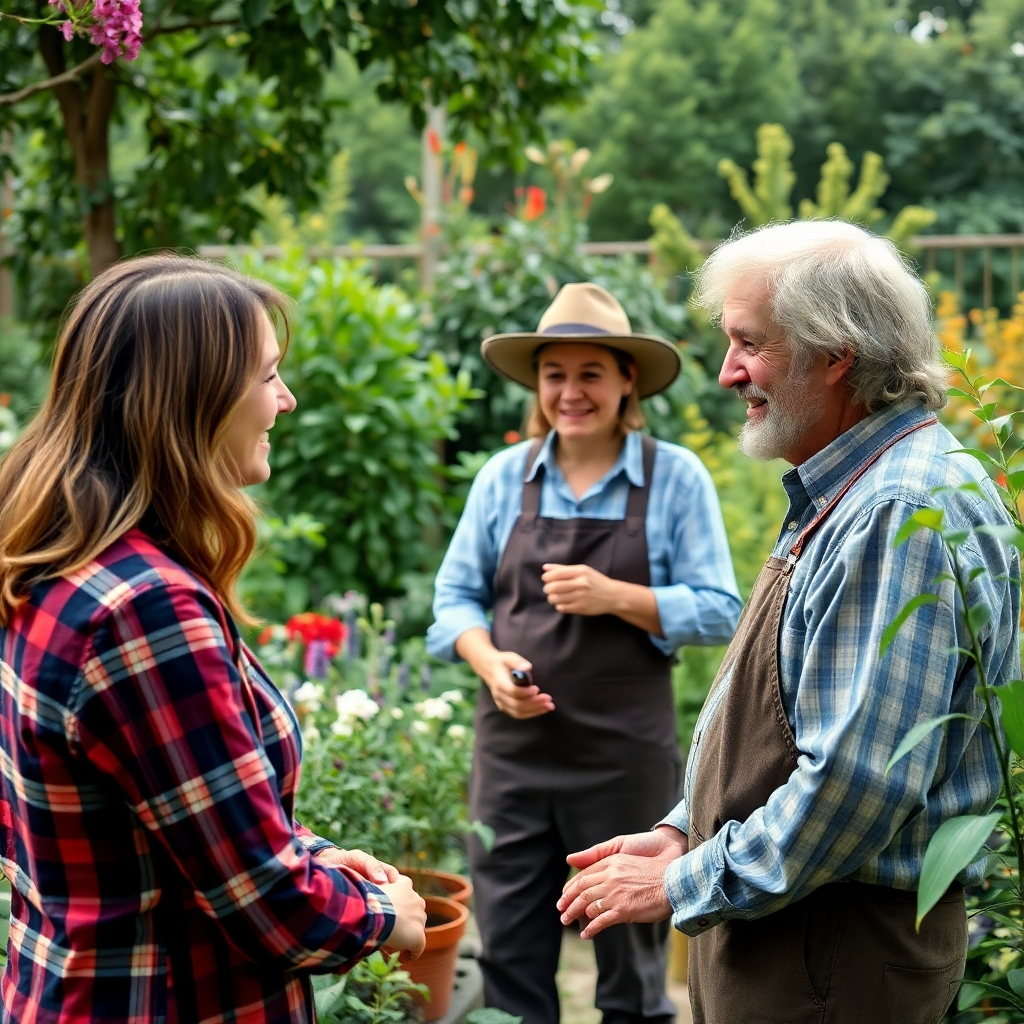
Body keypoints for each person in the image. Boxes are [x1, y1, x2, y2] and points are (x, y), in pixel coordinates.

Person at [557, 222, 1022, 1023]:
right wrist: (683, 831)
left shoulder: (894, 509)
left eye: (750, 343)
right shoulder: (851, 481)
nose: (726, 371)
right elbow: (792, 722)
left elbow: (854, 787)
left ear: (836, 353)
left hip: (834, 949)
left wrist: (680, 880)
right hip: (799, 929)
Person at [0, 255, 427, 1024]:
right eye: (267, 376)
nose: (286, 400)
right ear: (191, 398)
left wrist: (316, 858)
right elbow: (268, 907)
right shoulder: (143, 611)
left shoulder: (64, 569)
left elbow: (162, 819)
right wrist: (385, 917)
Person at [426, 282, 742, 1024]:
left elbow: (724, 609)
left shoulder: (674, 478)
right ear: (537, 383)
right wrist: (489, 663)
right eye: (554, 374)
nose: (571, 392)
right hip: (512, 756)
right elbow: (453, 603)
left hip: (624, 762)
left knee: (632, 971)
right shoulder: (504, 478)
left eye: (590, 373)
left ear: (628, 379)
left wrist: (617, 596)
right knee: (509, 959)